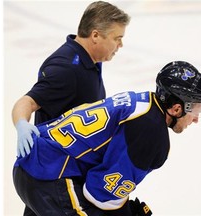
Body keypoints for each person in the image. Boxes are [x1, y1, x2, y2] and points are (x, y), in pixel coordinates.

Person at [13, 61, 201, 216]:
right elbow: (98, 193)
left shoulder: (141, 101)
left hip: (34, 165)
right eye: (194, 110)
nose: (195, 119)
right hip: (49, 176)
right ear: (177, 108)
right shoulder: (152, 133)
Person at [12, 1, 131, 159]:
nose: (121, 45)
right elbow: (28, 102)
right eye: (117, 38)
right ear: (95, 35)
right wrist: (22, 125)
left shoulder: (91, 59)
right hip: (54, 170)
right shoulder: (65, 69)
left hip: (74, 163)